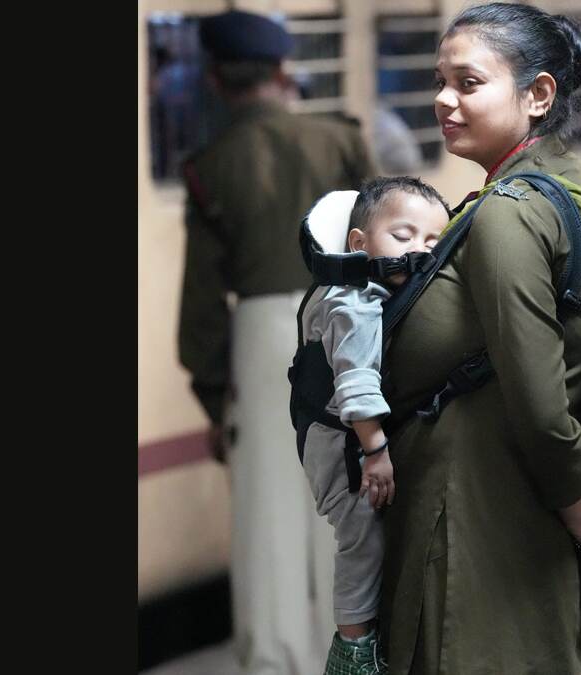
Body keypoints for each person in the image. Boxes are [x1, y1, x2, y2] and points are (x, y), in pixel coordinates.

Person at [375, 3, 581, 673]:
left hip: (477, 537)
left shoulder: (510, 214)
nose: (444, 99)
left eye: (468, 82)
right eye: (439, 80)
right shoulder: (577, 187)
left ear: (538, 95)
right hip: (513, 528)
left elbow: (542, 403)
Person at [176, 9, 377, 674]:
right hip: (348, 322)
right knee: (345, 501)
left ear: (214, 80)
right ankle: (352, 650)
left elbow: (203, 308)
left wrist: (216, 402)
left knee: (268, 520)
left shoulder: (211, 166)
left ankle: (275, 660)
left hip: (264, 341)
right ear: (284, 71)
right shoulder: (341, 141)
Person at [297, 177, 448, 674]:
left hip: (339, 436)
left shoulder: (354, 290)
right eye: (403, 237)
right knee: (363, 534)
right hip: (344, 443)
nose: (418, 252)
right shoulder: (355, 302)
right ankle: (353, 648)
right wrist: (376, 451)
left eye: (432, 242)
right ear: (358, 244)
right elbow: (357, 385)